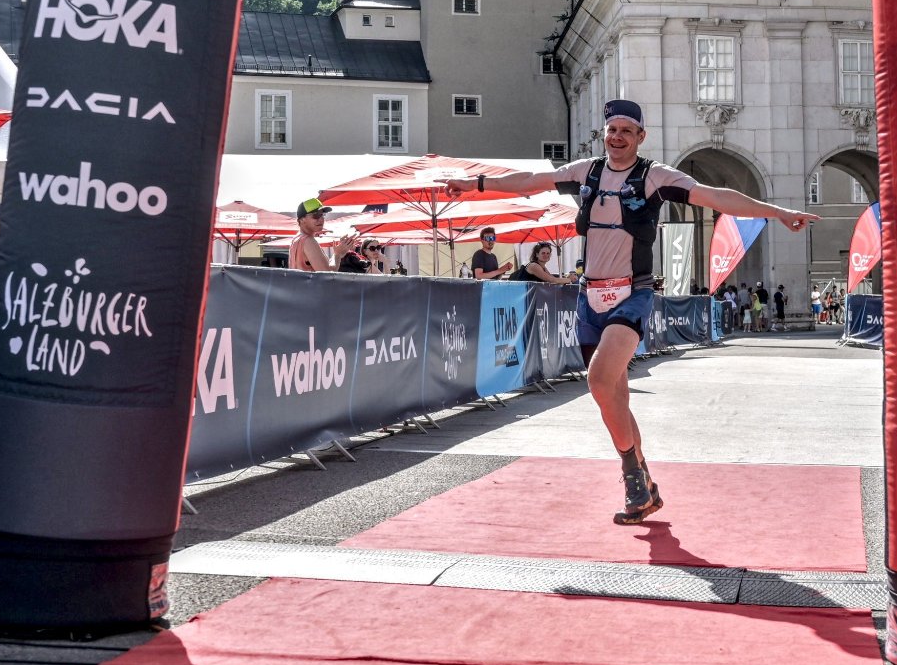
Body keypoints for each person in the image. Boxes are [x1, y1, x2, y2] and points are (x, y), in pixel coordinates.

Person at [437, 98, 814, 523]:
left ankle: (633, 475)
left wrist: (777, 213)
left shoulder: (655, 176)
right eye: (612, 130)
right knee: (612, 398)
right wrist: (475, 184)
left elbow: (717, 197)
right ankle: (645, 487)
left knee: (599, 380)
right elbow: (530, 181)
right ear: (605, 134)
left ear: (640, 136)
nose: (617, 138)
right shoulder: (586, 171)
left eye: (626, 132)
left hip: (632, 294)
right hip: (589, 298)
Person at [287, 197, 353, 272]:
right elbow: (327, 274)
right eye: (316, 215)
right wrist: (338, 255)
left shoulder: (296, 240)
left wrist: (337, 254)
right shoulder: (308, 241)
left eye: (322, 214)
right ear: (302, 220)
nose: (321, 219)